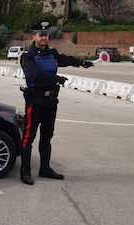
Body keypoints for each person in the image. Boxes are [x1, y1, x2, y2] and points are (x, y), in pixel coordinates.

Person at [19, 23, 94, 186]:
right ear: (34, 37)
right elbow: (35, 76)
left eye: (46, 35)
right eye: (40, 34)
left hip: (51, 102)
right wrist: (56, 79)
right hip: (35, 102)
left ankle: (45, 169)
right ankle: (25, 172)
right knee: (28, 137)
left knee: (47, 136)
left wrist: (81, 62)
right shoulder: (27, 56)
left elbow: (65, 59)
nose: (44, 37)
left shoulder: (51, 53)